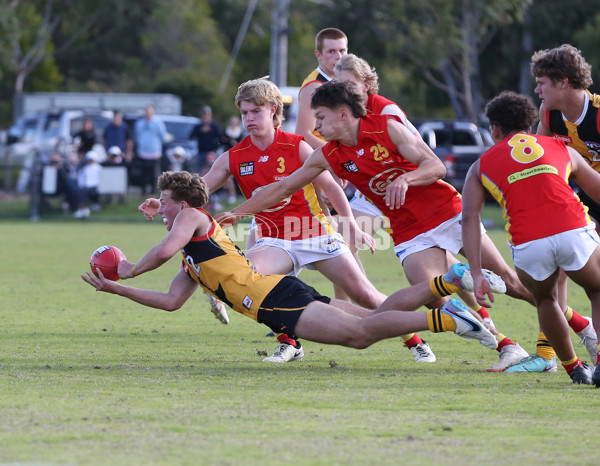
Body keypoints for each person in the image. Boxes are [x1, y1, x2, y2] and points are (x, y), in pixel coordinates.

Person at [215, 81, 550, 372]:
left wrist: (407, 178)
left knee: (512, 283)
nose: (315, 127)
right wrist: (236, 214)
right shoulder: (329, 154)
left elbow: (435, 166)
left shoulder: (386, 127)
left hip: (446, 213)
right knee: (433, 295)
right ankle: (507, 346)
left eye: (320, 118)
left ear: (343, 113)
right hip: (408, 231)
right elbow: (282, 188)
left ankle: (577, 328)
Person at [139, 78, 434, 363]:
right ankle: (289, 342)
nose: (249, 118)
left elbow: (332, 189)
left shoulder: (298, 146)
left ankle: (413, 339)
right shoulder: (234, 156)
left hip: (314, 232)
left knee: (363, 294)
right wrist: (165, 202)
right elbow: (198, 189)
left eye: (256, 111)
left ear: (274, 111)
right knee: (247, 281)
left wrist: (352, 226)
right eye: (244, 113)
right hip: (274, 239)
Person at [82, 170, 499, 366]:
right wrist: (118, 290)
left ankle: (449, 322)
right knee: (375, 315)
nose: (161, 208)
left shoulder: (192, 220)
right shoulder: (194, 258)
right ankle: (449, 283)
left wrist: (130, 269)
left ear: (183, 205)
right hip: (277, 294)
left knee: (359, 336)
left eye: (165, 201)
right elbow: (172, 302)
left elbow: (162, 249)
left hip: (276, 299)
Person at [333, 53, 529, 369]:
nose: (342, 89)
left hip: (426, 199)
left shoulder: (386, 113)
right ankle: (498, 339)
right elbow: (333, 159)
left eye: (349, 84)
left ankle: (573, 322)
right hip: (390, 207)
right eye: (337, 83)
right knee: (429, 290)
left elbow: (427, 161)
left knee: (508, 280)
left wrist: (404, 178)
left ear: (367, 85)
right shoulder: (337, 117)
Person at [461, 90, 600, 385]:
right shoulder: (560, 147)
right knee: (597, 290)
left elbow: (470, 219)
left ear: (495, 129)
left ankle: (575, 369)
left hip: (529, 242)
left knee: (546, 300)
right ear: (531, 121)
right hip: (573, 229)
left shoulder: (481, 165)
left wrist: (477, 273)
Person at [295, 27, 348, 150]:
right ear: (319, 54)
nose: (338, 56)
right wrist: (339, 155)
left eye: (342, 50)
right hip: (326, 160)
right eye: (332, 51)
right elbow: (303, 134)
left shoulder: (344, 79)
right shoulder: (315, 86)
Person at [134, 105, 166, 195]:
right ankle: (143, 190)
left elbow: (162, 136)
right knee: (143, 173)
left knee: (153, 173)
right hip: (142, 152)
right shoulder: (139, 123)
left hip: (154, 152)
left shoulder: (158, 123)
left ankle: (152, 191)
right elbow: (137, 137)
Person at [191, 106, 223, 176]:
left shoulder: (215, 126)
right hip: (201, 152)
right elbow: (191, 136)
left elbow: (221, 137)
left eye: (207, 114)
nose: (205, 116)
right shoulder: (198, 126)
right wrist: (200, 131)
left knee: (211, 172)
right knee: (199, 172)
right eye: (203, 114)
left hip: (212, 153)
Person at [74, 150, 102, 218]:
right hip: (85, 187)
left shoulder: (99, 168)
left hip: (95, 187)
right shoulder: (84, 168)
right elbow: (81, 179)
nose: (90, 160)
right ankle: (82, 209)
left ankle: (86, 208)